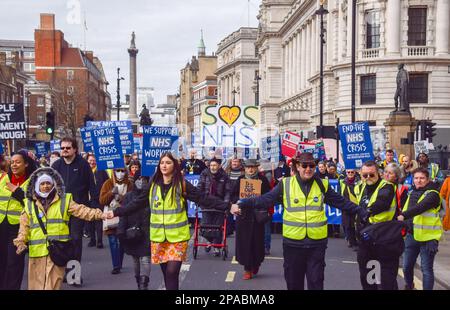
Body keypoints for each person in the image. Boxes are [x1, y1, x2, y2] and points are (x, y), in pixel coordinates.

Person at [231, 153, 368, 290]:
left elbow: (342, 202)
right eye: (304, 165)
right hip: (293, 244)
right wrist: (244, 202)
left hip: (316, 244)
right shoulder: (285, 184)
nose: (308, 169)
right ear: (297, 166)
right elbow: (265, 199)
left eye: (311, 165)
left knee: (316, 282)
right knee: (294, 283)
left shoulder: (322, 185)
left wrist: (360, 211)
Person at [107, 152, 228, 290]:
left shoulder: (181, 184)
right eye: (162, 163)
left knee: (172, 272)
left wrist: (228, 206)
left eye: (168, 163)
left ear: (174, 166)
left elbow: (203, 198)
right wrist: (116, 212)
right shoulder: (152, 184)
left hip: (177, 238)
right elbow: (136, 203)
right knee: (167, 275)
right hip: (159, 238)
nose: (164, 165)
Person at [13, 167, 106, 290]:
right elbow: (24, 226)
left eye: (48, 183)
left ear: (53, 185)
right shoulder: (29, 204)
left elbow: (82, 211)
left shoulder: (65, 200)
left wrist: (101, 214)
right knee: (36, 287)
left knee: (52, 287)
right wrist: (20, 241)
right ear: (37, 186)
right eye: (42, 183)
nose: (45, 186)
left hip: (58, 252)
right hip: (37, 253)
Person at [51, 137, 98, 286]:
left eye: (68, 148)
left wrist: (93, 206)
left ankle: (74, 275)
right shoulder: (57, 165)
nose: (64, 150)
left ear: (75, 149)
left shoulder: (83, 165)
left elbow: (92, 186)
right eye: (62, 148)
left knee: (76, 240)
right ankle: (65, 271)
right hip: (60, 210)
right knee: (63, 241)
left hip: (78, 209)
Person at [356, 160, 400, 290]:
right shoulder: (361, 187)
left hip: (385, 239)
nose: (368, 178)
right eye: (365, 175)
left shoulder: (387, 186)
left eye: (371, 174)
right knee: (368, 277)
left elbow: (383, 202)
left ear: (379, 174)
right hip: (367, 239)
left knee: (387, 280)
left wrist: (367, 212)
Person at [398, 168, 442, 290]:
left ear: (427, 180)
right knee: (406, 266)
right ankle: (409, 285)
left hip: (429, 239)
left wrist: (403, 216)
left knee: (426, 270)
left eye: (422, 178)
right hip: (412, 236)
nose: (419, 180)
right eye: (416, 178)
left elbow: (419, 208)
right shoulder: (411, 193)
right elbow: (406, 208)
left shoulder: (433, 194)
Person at [0, 150, 37, 290]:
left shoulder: (33, 181)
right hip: (1, 226)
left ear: (26, 164)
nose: (14, 165)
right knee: (2, 262)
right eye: (12, 162)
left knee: (14, 263)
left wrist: (16, 191)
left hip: (19, 229)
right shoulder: (3, 178)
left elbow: (33, 203)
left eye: (18, 162)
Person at [231, 159, 271, 279]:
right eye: (248, 167)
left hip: (257, 216)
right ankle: (247, 269)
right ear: (245, 168)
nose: (251, 169)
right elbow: (233, 195)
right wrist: (236, 202)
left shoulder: (263, 180)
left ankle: (256, 263)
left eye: (253, 167)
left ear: (257, 168)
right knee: (244, 242)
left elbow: (268, 196)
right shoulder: (240, 180)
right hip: (243, 216)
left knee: (257, 242)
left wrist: (261, 200)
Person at [118, 170, 151, 290]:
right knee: (136, 259)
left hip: (147, 231)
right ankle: (138, 280)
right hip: (132, 231)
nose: (142, 181)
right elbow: (123, 214)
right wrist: (121, 231)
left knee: (146, 259)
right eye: (139, 178)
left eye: (144, 179)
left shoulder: (151, 196)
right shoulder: (128, 196)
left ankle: (144, 285)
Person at [99, 167, 132, 274]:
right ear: (114, 172)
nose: (120, 173)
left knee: (121, 240)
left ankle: (119, 261)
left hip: (124, 217)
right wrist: (111, 193)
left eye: (122, 171)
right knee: (113, 241)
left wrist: (121, 198)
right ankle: (116, 266)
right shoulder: (108, 183)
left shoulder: (130, 184)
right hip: (110, 216)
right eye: (118, 171)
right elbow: (102, 200)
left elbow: (133, 201)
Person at [198, 158, 231, 256]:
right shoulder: (204, 174)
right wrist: (199, 199)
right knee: (206, 224)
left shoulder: (224, 176)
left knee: (218, 226)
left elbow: (227, 192)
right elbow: (200, 187)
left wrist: (225, 204)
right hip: (207, 203)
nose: (212, 167)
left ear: (219, 166)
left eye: (215, 165)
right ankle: (208, 241)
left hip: (219, 204)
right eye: (211, 165)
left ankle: (216, 246)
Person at [86, 154, 109, 248]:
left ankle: (99, 241)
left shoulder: (101, 171)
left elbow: (107, 183)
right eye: (90, 160)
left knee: (98, 220)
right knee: (89, 220)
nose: (92, 162)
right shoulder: (85, 171)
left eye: (94, 160)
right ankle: (92, 239)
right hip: (87, 199)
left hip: (98, 199)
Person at [340, 169, 360, 249]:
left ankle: (355, 242)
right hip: (346, 207)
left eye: (352, 172)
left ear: (355, 173)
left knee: (355, 225)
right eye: (348, 172)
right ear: (346, 173)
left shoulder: (359, 182)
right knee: (347, 225)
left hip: (356, 206)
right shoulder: (342, 182)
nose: (350, 174)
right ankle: (350, 240)